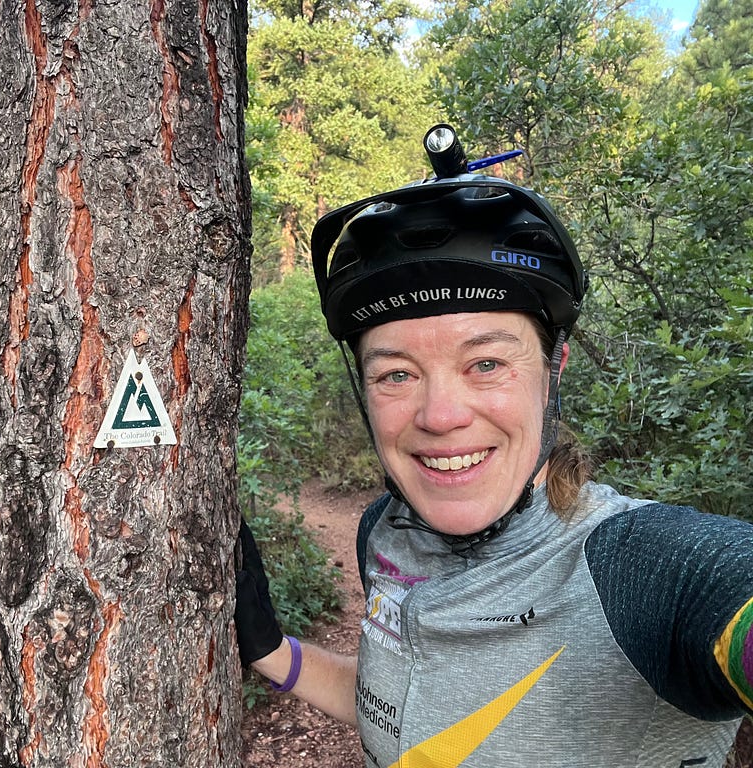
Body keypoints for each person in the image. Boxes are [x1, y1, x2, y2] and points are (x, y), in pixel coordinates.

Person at [234, 124, 753, 767]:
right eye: (396, 374)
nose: (441, 415)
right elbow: (404, 705)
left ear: (552, 369)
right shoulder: (386, 530)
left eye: (485, 363)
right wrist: (274, 655)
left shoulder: (644, 568)